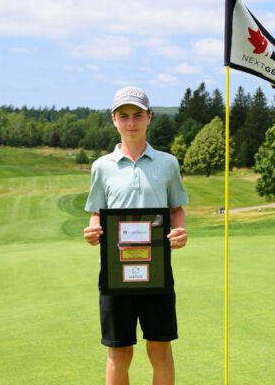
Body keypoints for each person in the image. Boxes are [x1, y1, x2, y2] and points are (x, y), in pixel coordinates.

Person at [83, 86, 189, 385]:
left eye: (138, 116)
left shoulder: (167, 163)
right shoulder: (101, 166)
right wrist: (93, 231)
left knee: (160, 347)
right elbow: (97, 212)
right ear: (114, 119)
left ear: (149, 117)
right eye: (124, 116)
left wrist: (180, 230)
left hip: (156, 271)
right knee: (119, 351)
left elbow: (176, 209)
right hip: (116, 272)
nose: (131, 123)